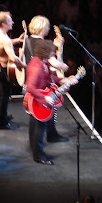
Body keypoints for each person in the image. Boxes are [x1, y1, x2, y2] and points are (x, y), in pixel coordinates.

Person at [25, 40, 78, 165]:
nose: (54, 54)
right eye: (52, 52)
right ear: (46, 52)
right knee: (39, 127)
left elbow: (49, 77)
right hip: (38, 100)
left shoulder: (43, 63)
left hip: (39, 97)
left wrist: (62, 80)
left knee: (36, 125)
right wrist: (44, 99)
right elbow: (30, 87)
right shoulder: (36, 68)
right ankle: (38, 155)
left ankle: (35, 149)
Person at [24, 15, 69, 143]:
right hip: (39, 84)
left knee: (41, 115)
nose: (48, 29)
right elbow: (55, 63)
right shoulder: (41, 45)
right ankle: (41, 144)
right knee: (41, 116)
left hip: (34, 79)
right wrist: (64, 66)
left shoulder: (27, 40)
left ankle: (51, 135)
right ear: (42, 27)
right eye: (47, 27)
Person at [0, 11, 26, 130]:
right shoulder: (4, 39)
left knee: (5, 94)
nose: (13, 22)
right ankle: (2, 122)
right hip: (4, 70)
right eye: (10, 21)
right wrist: (25, 66)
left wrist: (17, 40)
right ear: (3, 23)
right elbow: (12, 57)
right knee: (4, 95)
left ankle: (2, 115)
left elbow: (3, 44)